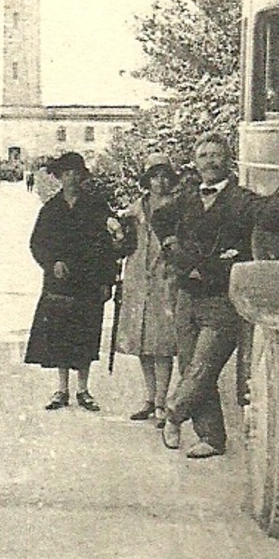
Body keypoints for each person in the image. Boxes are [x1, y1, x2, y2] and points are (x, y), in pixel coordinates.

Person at [155, 136, 279, 459]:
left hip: (223, 299)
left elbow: (271, 216)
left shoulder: (240, 199)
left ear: (228, 161)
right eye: (203, 155)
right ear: (195, 162)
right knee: (191, 366)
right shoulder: (186, 198)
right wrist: (171, 249)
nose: (209, 161)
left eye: (216, 155)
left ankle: (172, 414)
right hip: (187, 296)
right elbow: (160, 219)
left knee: (204, 366)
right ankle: (211, 438)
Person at [24, 152, 128, 412]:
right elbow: (37, 244)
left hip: (89, 281)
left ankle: (83, 389)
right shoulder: (50, 209)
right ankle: (62, 389)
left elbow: (109, 244)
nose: (71, 178)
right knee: (59, 333)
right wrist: (52, 263)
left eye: (76, 172)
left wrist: (107, 279)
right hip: (59, 282)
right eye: (67, 173)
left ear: (82, 176)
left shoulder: (96, 206)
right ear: (59, 176)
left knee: (86, 333)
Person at [115, 152, 181, 427]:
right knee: (142, 342)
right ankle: (150, 398)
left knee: (162, 344)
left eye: (165, 176)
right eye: (155, 176)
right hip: (138, 279)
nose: (160, 181)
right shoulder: (138, 206)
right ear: (147, 180)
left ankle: (163, 403)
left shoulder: (178, 206)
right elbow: (123, 236)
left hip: (165, 278)